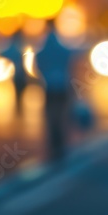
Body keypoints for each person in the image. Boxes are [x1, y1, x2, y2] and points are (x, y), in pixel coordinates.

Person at [34, 25, 74, 161]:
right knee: (62, 115)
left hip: (49, 87)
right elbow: (70, 58)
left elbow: (38, 64)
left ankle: (54, 145)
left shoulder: (43, 50)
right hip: (62, 86)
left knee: (51, 117)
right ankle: (61, 145)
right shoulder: (61, 48)